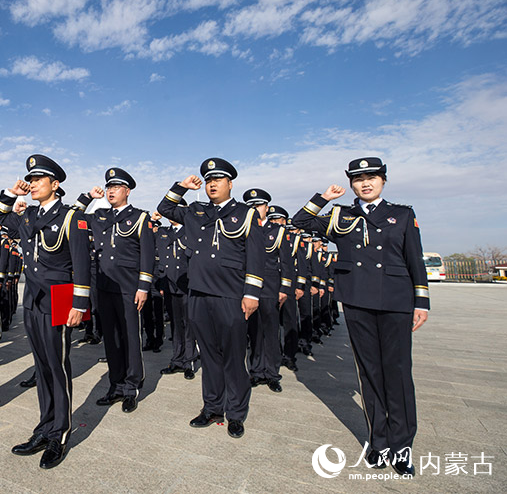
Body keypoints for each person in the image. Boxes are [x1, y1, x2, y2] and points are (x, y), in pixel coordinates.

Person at [291, 157, 429, 476]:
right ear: (351, 184)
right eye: (358, 179)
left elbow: (415, 260)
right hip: (357, 300)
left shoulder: (402, 215)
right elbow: (298, 223)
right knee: (368, 372)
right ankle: (378, 441)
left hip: (396, 301)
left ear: (383, 180)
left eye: (371, 177)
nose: (365, 183)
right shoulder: (341, 215)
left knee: (396, 372)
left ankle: (402, 445)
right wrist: (323, 198)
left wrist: (421, 301)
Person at [0, 154, 91, 469]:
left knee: (57, 367)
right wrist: (11, 194)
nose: (32, 184)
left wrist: (79, 304)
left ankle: (59, 434)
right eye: (30, 180)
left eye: (38, 180)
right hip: (33, 299)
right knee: (41, 366)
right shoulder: (29, 215)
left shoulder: (71, 217)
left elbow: (81, 263)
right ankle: (43, 428)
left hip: (61, 296)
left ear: (55, 184)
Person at [157, 158, 265, 438]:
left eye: (218, 180)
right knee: (209, 356)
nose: (212, 184)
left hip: (231, 295)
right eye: (208, 180)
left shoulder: (245, 213)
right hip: (199, 294)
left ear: (230, 184)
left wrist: (251, 293)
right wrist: (181, 186)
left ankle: (236, 413)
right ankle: (213, 407)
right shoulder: (195, 211)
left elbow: (255, 256)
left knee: (233, 357)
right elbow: (164, 208)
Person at [74, 167, 156, 413]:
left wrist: (143, 287)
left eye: (116, 187)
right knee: (111, 339)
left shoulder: (140, 218)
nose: (111, 191)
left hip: (129, 288)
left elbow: (148, 256)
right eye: (108, 187)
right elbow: (71, 216)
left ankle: (132, 386)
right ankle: (116, 384)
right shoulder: (98, 216)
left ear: (127, 191)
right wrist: (88, 197)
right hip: (105, 287)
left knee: (131, 337)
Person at [243, 193, 293, 393]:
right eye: (252, 206)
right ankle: (256, 371)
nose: (256, 209)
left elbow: (287, 263)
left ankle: (272, 374)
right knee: (254, 332)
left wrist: (284, 289)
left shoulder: (277, 231)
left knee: (271, 332)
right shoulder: (244, 227)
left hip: (271, 287)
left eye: (259, 205)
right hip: (248, 288)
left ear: (267, 207)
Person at [156, 206, 196, 380]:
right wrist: (153, 220)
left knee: (189, 325)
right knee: (175, 325)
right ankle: (177, 360)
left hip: (187, 284)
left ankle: (189, 361)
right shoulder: (164, 232)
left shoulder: (190, 231)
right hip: (170, 285)